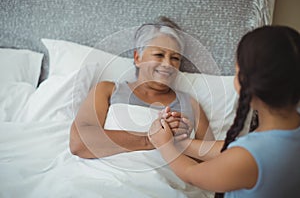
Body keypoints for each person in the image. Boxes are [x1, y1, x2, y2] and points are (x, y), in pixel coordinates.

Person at [148, 25, 300, 197]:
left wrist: (165, 145)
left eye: (236, 72)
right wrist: (182, 144)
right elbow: (228, 151)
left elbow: (191, 174)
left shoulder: (248, 157)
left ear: (245, 81)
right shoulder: (284, 134)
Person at [69, 16, 214, 159]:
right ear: (138, 58)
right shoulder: (106, 90)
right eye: (159, 54)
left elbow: (212, 164)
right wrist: (153, 139)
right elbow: (79, 143)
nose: (167, 64)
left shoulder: (191, 105)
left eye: (175, 58)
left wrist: (184, 142)